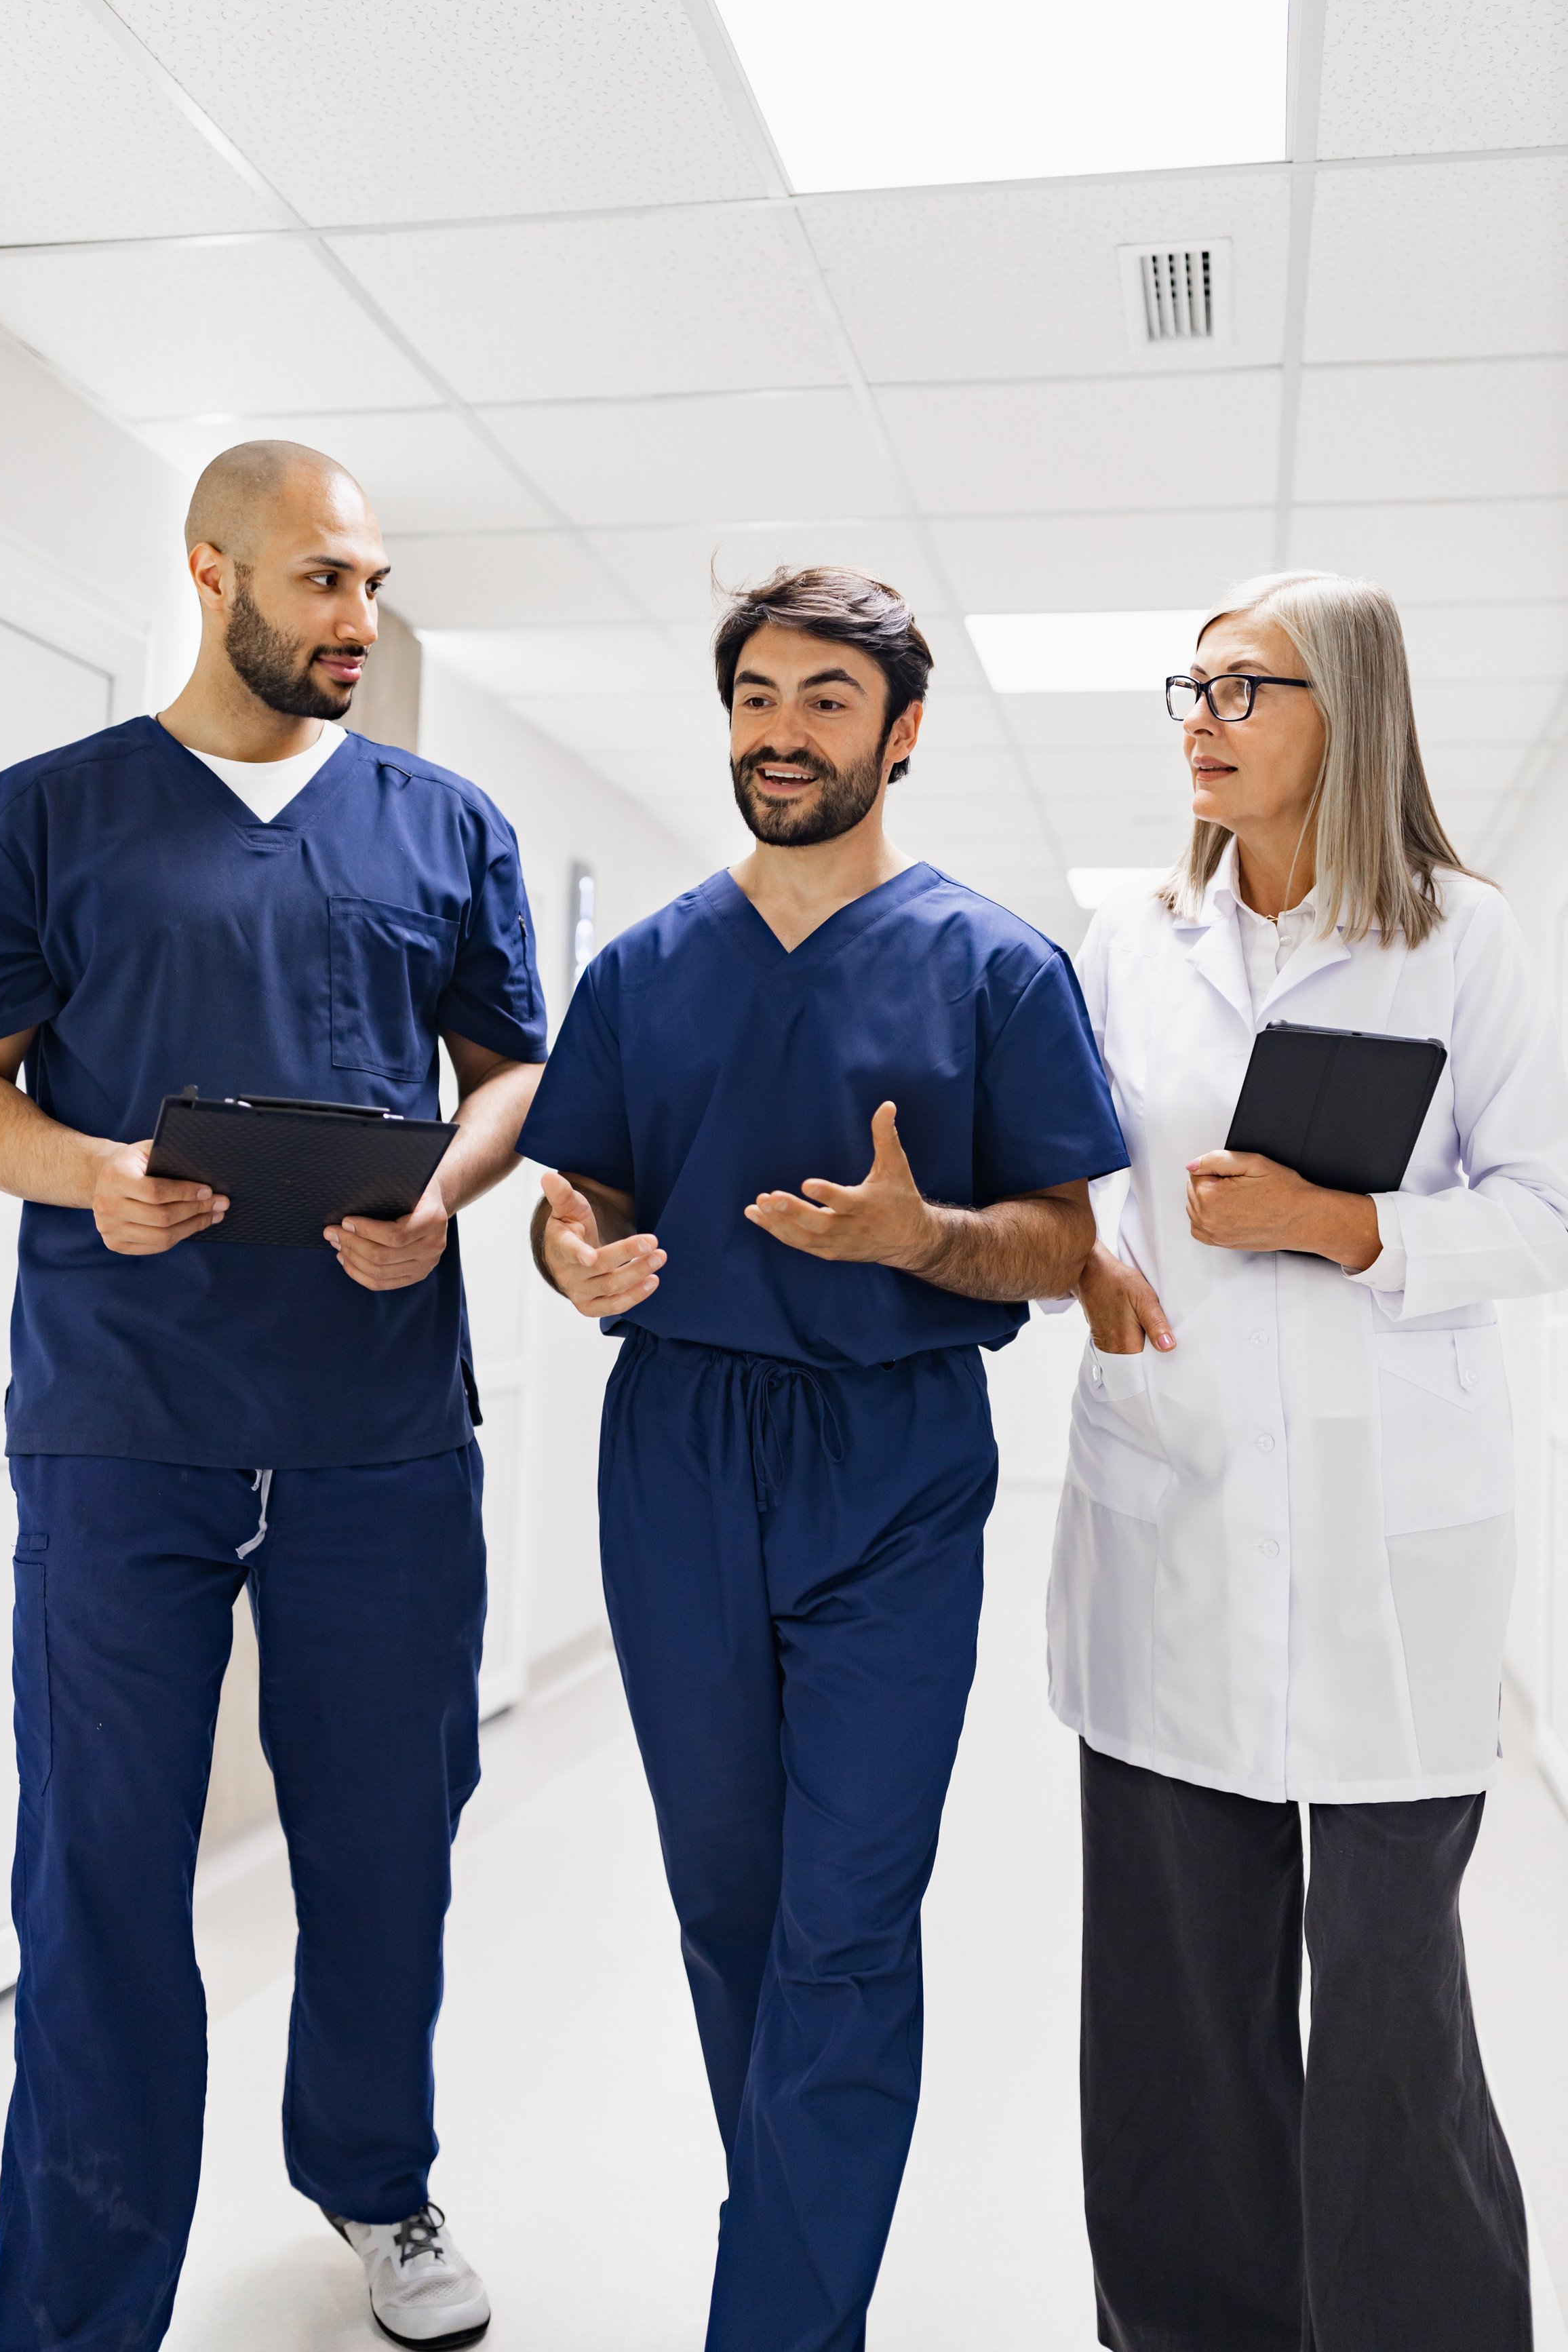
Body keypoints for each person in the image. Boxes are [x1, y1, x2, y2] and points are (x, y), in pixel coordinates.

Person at [0, 442, 547, 2352]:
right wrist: (92, 1176)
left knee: (388, 1842)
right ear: (210, 572)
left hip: (376, 1427)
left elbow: (512, 1073)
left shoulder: (446, 827)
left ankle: (377, 2181)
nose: (360, 620)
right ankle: (75, 2304)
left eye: (372, 583)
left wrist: (446, 1191)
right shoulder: (47, 817)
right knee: (103, 1869)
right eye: (321, 583)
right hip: (124, 1423)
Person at [520, 565, 1127, 2352]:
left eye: (826, 702)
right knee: (731, 1902)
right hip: (681, 1453)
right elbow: (583, 1206)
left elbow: (1059, 1244)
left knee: (847, 1920)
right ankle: (800, 2276)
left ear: (903, 733)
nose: (783, 734)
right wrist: (576, 1262)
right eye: (759, 699)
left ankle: (775, 2322)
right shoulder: (644, 969)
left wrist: (918, 1238)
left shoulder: (998, 967)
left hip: (893, 1461)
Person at [1049, 569, 1568, 2352]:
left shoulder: (1461, 942)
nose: (1202, 717)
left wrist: (1347, 1227)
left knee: (1393, 2024)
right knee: (1179, 2025)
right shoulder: (1131, 942)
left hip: (1385, 1556)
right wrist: (1090, 1261)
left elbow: (1546, 1214)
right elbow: (1083, 1186)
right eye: (1188, 686)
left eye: (1244, 688)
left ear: (1347, 713)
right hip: (1171, 1515)